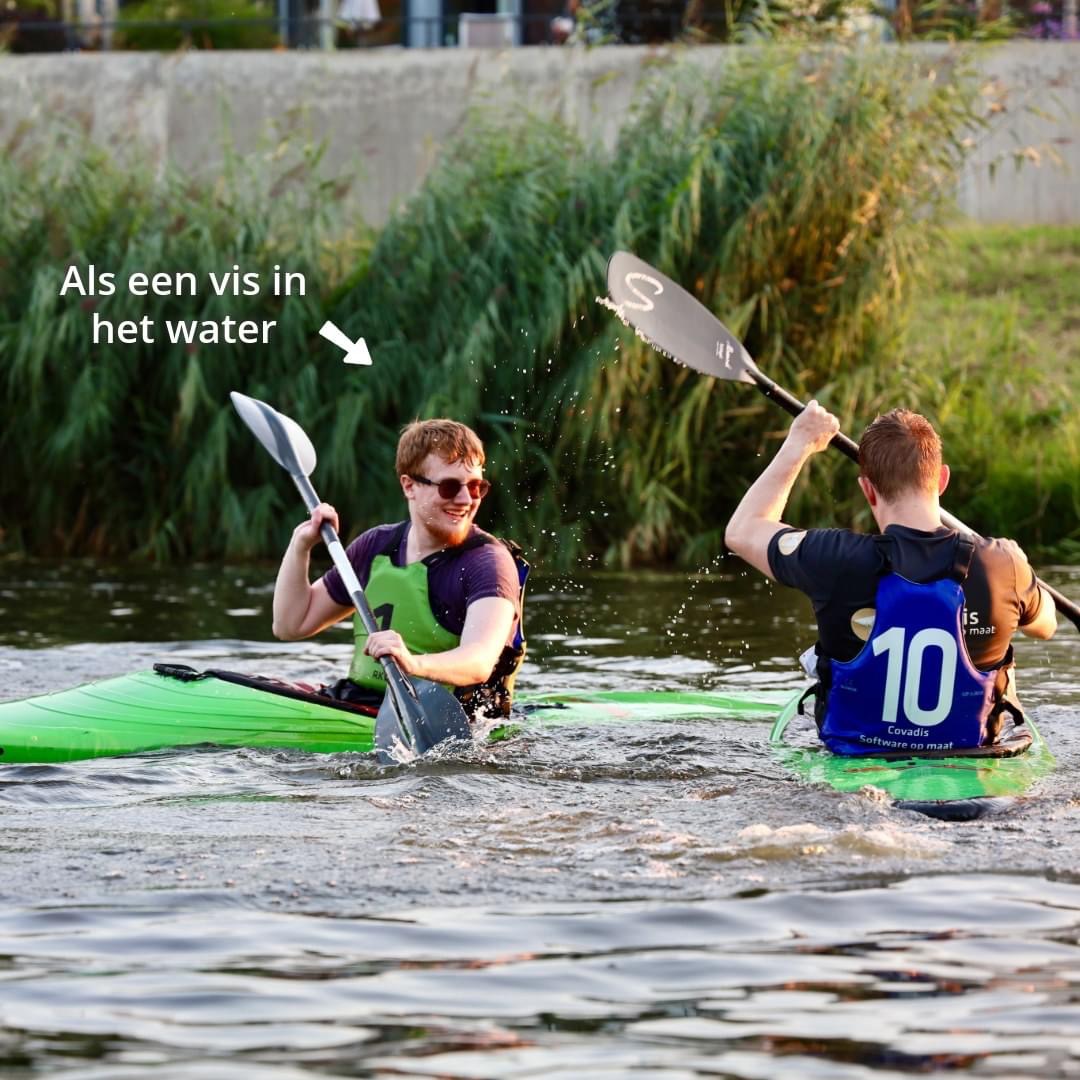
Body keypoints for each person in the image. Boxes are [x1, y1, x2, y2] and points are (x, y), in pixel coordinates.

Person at [725, 403, 1057, 756]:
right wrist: (1020, 569)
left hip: (857, 770)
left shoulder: (835, 559)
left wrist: (800, 443)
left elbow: (742, 531)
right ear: (942, 479)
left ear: (867, 490)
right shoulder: (1002, 564)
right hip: (972, 767)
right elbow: (1045, 626)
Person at [272, 418, 527, 720]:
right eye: (449, 487)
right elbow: (291, 625)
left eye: (475, 487)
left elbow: (479, 661)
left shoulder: (487, 563)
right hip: (362, 701)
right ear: (409, 486)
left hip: (449, 716)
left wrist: (413, 663)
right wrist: (300, 545)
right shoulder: (375, 546)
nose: (465, 499)